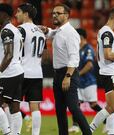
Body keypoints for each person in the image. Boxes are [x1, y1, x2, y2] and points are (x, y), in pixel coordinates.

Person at [40, 4, 92, 135]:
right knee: (60, 109)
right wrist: (46, 30)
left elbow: (74, 58)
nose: (54, 15)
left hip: (67, 73)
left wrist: (68, 76)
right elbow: (52, 33)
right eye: (53, 13)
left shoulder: (70, 33)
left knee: (73, 108)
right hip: (58, 73)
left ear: (67, 16)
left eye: (58, 13)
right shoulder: (60, 30)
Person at [0, 3, 24, 135]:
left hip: (10, 73)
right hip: (18, 71)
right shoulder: (15, 30)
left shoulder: (6, 31)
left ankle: (7, 133)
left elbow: (9, 54)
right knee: (14, 107)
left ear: (5, 15)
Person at [15, 3, 47, 135]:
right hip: (37, 72)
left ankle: (14, 132)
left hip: (21, 72)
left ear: (26, 14)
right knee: (35, 107)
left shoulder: (20, 29)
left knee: (11, 105)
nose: (16, 14)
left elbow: (14, 51)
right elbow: (45, 54)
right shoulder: (41, 31)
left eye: (18, 12)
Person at [68, 28, 106, 133]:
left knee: (93, 104)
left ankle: (106, 120)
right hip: (79, 82)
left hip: (89, 82)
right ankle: (75, 125)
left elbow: (89, 65)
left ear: (81, 37)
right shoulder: (77, 49)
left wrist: (77, 74)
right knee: (76, 103)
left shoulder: (88, 49)